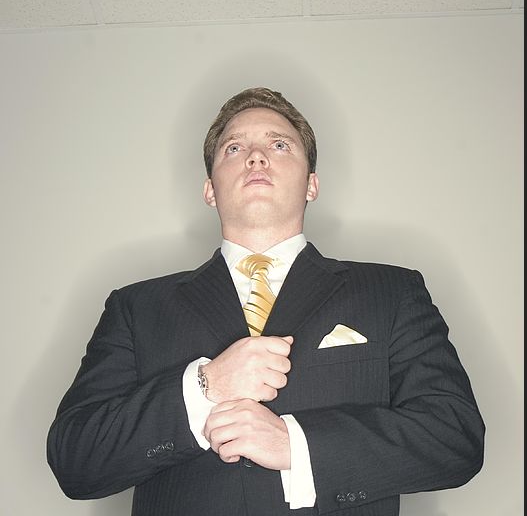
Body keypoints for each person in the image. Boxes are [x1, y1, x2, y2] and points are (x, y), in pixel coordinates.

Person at [47, 87, 485, 515]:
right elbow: (75, 460)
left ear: (312, 184)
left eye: (279, 145)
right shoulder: (136, 308)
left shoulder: (393, 292)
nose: (257, 156)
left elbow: (455, 437)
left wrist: (296, 444)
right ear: (210, 190)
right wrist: (206, 388)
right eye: (234, 148)